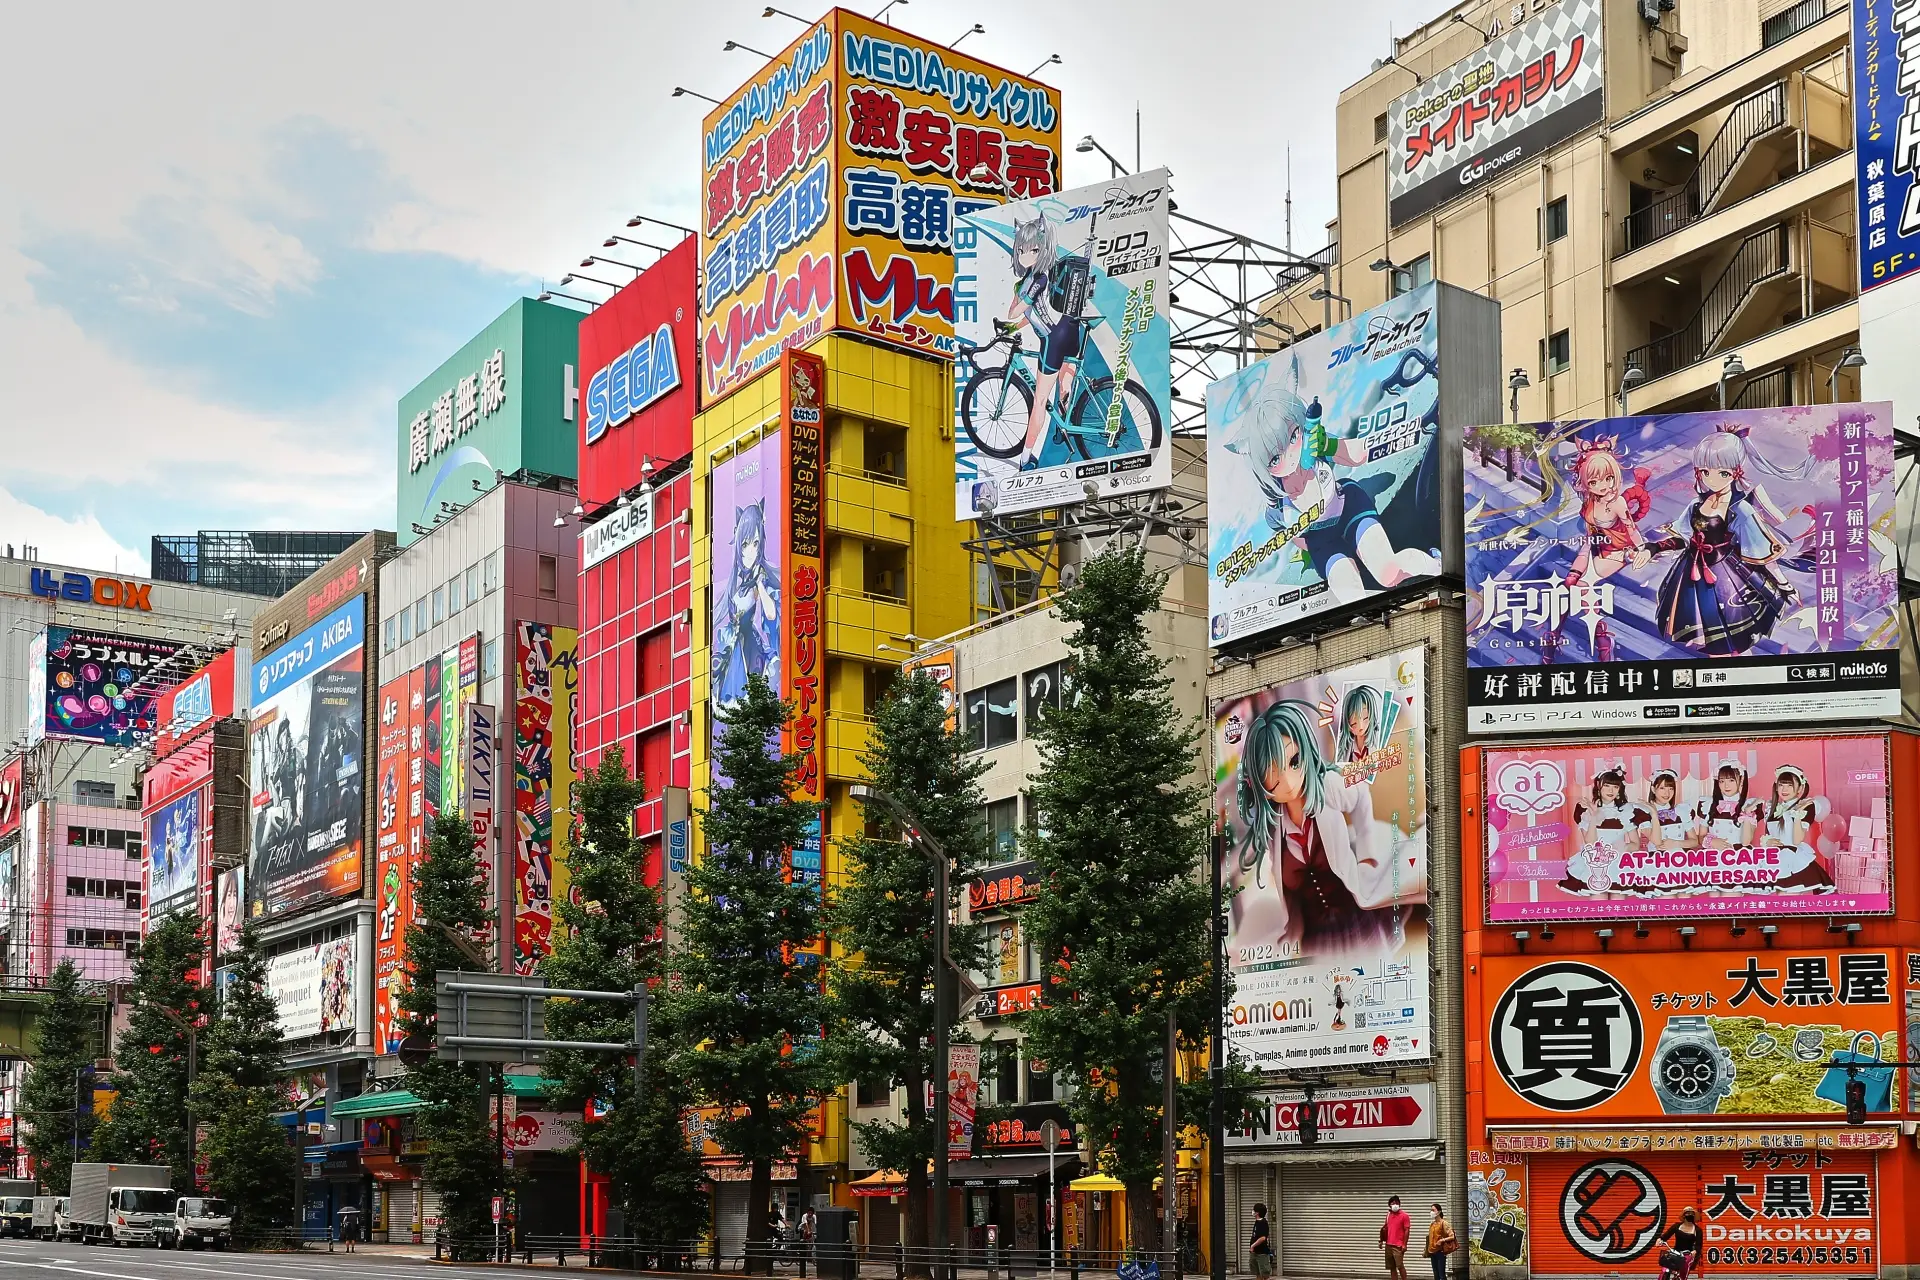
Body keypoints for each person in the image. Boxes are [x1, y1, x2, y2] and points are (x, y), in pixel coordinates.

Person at [1229, 699, 1429, 958]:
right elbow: (1284, 884)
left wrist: (1367, 851)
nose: (1288, 782)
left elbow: (1360, 797)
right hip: (1314, 937)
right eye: (1274, 776)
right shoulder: (1272, 827)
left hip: (1356, 921)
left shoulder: (1328, 786)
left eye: (1294, 761)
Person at [1660, 1206, 1702, 1278]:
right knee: (1665, 1267)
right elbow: (1665, 1236)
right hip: (1675, 1252)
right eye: (1687, 1213)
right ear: (1684, 1215)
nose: (1690, 1215)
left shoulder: (1697, 1230)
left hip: (1688, 1254)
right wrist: (1660, 1240)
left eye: (1692, 1213)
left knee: (1684, 1266)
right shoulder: (1676, 1226)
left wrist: (1695, 1251)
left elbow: (1699, 1245)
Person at [1380, 1196, 1412, 1280]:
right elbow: (1385, 1229)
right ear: (1389, 1205)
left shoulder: (1404, 1215)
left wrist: (1404, 1244)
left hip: (1398, 1246)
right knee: (1392, 1267)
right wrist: (1381, 1240)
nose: (1395, 1205)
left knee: (1400, 1266)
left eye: (1397, 1203)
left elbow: (1407, 1230)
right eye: (1393, 1203)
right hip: (1388, 1245)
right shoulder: (1388, 1214)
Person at [1424, 1203, 1456, 1280]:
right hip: (1432, 1251)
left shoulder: (1444, 1223)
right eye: (1431, 1210)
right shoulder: (1432, 1224)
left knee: (1441, 1274)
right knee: (1436, 1274)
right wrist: (1426, 1250)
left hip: (1440, 1252)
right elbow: (1430, 1238)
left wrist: (1442, 1240)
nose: (1431, 1212)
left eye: (1433, 1210)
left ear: (1439, 1212)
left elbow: (1452, 1236)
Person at [1249, 1202, 1274, 1278]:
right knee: (1258, 1274)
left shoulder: (1263, 1223)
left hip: (1262, 1253)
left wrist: (1253, 1245)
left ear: (1257, 1212)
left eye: (1253, 1210)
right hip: (1255, 1252)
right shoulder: (1257, 1222)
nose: (1252, 1211)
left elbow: (1263, 1238)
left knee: (1264, 1274)